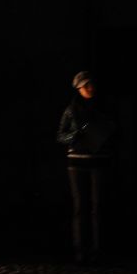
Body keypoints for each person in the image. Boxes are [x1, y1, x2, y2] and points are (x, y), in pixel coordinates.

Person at [57, 71, 116, 263]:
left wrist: (105, 135)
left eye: (91, 84)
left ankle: (99, 250)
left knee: (98, 207)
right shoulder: (71, 110)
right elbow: (60, 135)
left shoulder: (104, 107)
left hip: (99, 160)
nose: (90, 88)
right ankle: (81, 251)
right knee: (80, 207)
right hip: (77, 162)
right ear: (79, 88)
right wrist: (74, 136)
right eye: (85, 85)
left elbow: (113, 130)